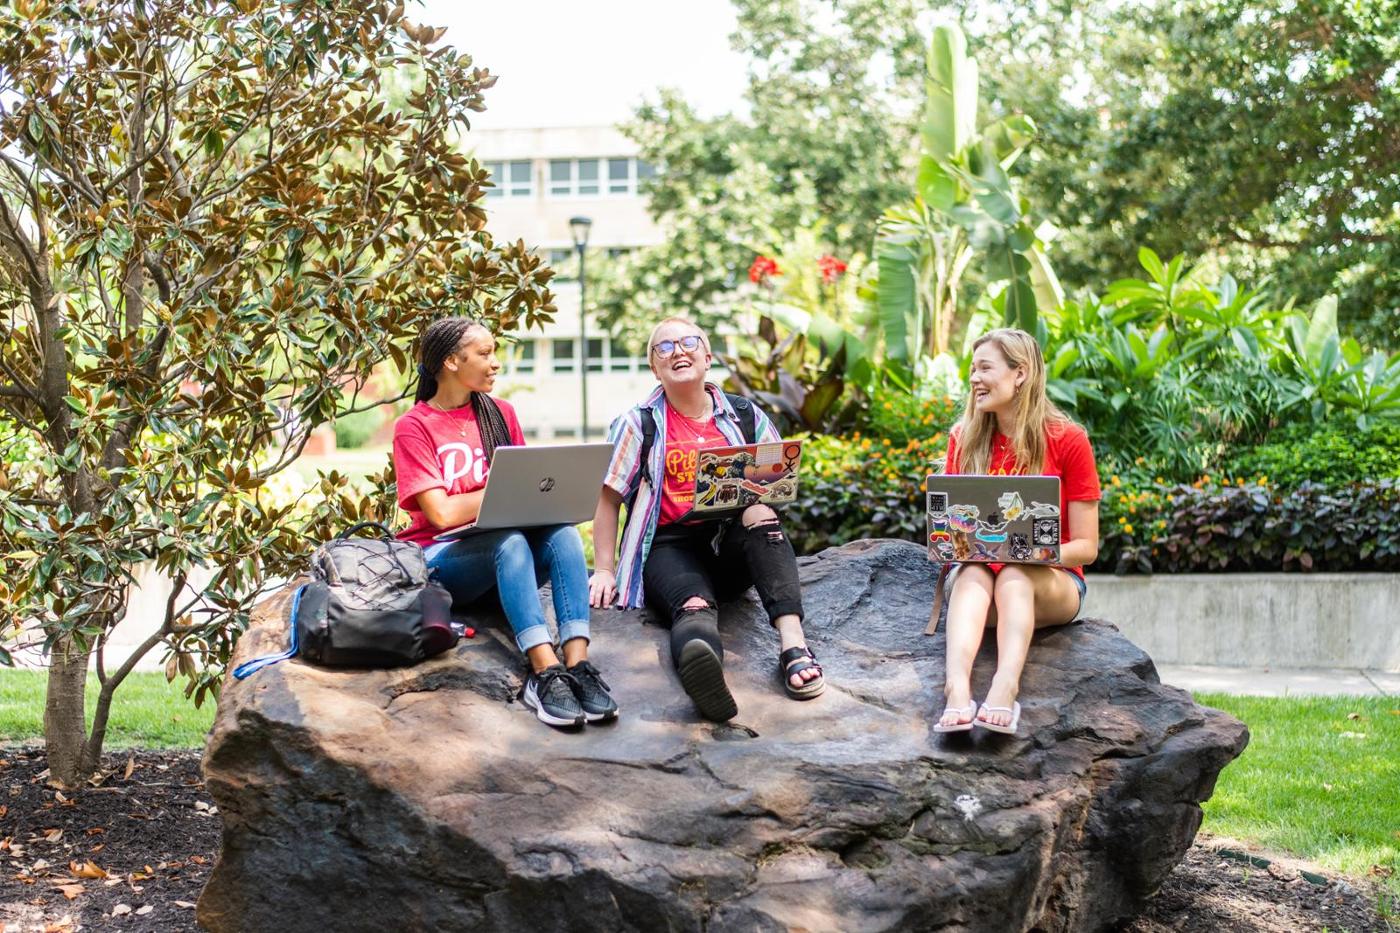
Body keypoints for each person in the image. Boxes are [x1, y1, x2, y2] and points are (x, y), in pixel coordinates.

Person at [588, 317, 824, 722]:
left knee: (761, 513)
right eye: (664, 348)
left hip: (730, 543)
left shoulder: (744, 415)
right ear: (654, 368)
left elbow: (775, 482)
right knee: (694, 605)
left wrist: (762, 487)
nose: (678, 351)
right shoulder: (638, 423)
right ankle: (705, 673)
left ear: (708, 356)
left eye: (688, 342)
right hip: (669, 547)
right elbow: (607, 498)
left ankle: (793, 646)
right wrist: (605, 570)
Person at [392, 317, 617, 729]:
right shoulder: (414, 426)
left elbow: (528, 493)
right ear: (451, 362)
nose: (495, 363)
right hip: (443, 563)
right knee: (508, 540)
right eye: (484, 353)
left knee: (564, 534)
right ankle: (543, 671)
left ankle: (578, 665)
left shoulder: (500, 414)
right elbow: (440, 514)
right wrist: (498, 493)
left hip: (502, 558)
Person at [932, 328, 1101, 735]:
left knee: (1013, 573)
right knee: (973, 573)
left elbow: (1087, 547)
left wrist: (1033, 554)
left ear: (1020, 373)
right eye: (972, 369)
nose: (974, 378)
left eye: (985, 368)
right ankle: (957, 690)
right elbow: (952, 536)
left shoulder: (1068, 440)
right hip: (978, 591)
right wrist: (950, 539)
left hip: (1050, 586)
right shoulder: (964, 438)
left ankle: (1005, 688)